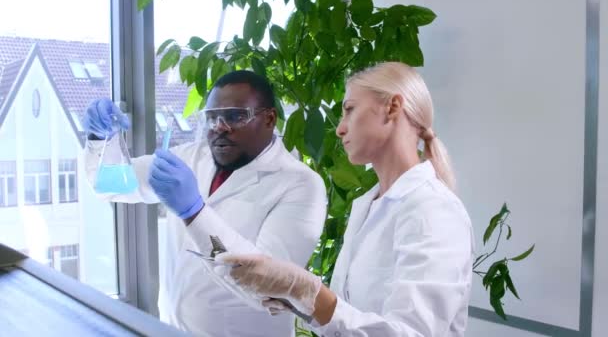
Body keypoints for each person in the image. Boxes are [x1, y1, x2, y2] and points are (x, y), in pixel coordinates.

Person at [217, 62, 475, 336]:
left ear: (393, 107)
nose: (340, 129)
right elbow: (352, 317)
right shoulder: (368, 204)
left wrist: (306, 291)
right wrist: (291, 295)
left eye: (350, 110)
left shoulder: (433, 210)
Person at [83, 70, 327, 336]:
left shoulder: (301, 185)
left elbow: (266, 288)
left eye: (235, 116)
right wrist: (98, 138)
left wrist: (194, 212)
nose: (220, 127)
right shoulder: (189, 157)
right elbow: (109, 184)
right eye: (212, 117)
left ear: (269, 119)